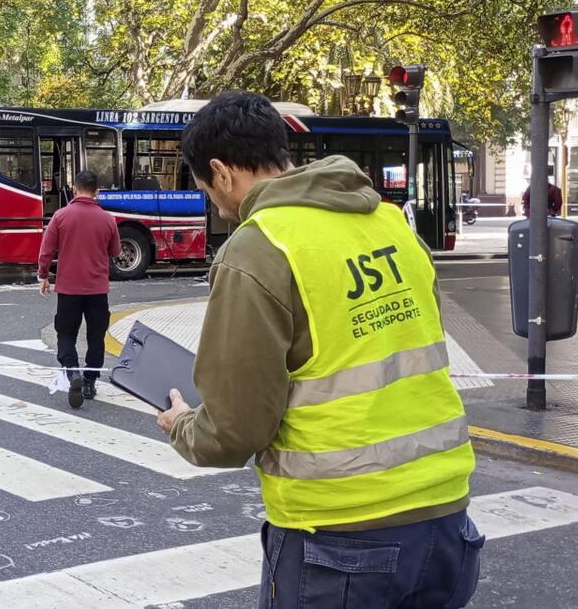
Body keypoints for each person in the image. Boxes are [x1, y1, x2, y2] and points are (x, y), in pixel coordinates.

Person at [157, 92, 480, 608]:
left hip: (339, 532)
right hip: (446, 519)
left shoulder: (258, 247)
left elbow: (237, 429)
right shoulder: (390, 223)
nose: (214, 203)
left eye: (204, 188)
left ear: (220, 172)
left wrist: (184, 427)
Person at [37, 169, 120, 409]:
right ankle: (89, 382)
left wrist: (43, 276)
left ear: (74, 189)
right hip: (97, 290)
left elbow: (47, 249)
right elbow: (115, 251)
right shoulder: (108, 219)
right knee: (96, 336)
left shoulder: (60, 216)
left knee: (66, 333)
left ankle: (71, 371)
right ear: (97, 191)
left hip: (68, 289)